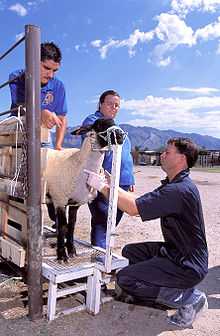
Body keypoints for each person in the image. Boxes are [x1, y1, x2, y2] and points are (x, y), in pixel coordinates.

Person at [85, 137, 208, 328]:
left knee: (126, 278)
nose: (162, 155)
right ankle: (165, 283)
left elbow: (133, 208)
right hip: (176, 252)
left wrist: (102, 188)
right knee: (130, 253)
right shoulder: (174, 184)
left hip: (187, 265)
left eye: (167, 152)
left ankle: (189, 297)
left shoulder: (179, 190)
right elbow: (140, 201)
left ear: (182, 159)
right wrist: (113, 185)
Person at [82, 89, 135, 248]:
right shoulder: (94, 121)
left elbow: (126, 155)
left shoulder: (118, 128)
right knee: (102, 221)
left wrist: (130, 178)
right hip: (103, 180)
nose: (114, 108)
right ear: (100, 104)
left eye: (117, 105)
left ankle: (104, 258)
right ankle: (100, 262)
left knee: (111, 223)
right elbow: (94, 134)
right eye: (110, 104)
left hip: (123, 181)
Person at [9, 42, 67, 150]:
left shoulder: (59, 86)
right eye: (46, 68)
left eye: (55, 70)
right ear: (34, 62)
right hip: (19, 132)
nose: (51, 75)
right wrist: (41, 113)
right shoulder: (17, 77)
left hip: (43, 137)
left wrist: (58, 145)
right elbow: (22, 107)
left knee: (47, 165)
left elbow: (62, 117)